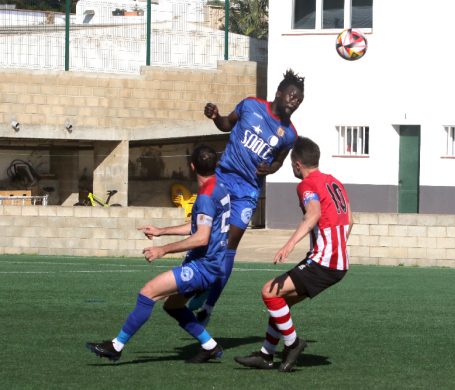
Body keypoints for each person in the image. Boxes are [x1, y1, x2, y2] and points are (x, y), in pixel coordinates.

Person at [86, 145, 231, 363]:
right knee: (172, 305)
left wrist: (162, 249)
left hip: (203, 267)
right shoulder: (220, 187)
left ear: (191, 166)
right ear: (216, 165)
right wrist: (161, 231)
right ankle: (210, 346)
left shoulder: (205, 197)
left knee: (148, 292)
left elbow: (201, 237)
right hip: (211, 263)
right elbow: (198, 227)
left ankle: (116, 346)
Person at [193, 69, 305, 324]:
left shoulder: (289, 134)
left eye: (298, 100)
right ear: (278, 93)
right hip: (222, 179)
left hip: (247, 191)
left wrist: (271, 169)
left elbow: (278, 162)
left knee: (229, 245)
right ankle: (201, 283)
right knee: (206, 236)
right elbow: (225, 125)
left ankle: (208, 308)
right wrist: (215, 116)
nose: (293, 102)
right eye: (291, 96)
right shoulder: (251, 105)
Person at [234, 136, 353, 372]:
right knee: (281, 302)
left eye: (291, 164)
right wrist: (334, 246)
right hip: (337, 262)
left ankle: (293, 343)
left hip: (324, 261)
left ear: (297, 164)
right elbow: (350, 219)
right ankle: (266, 354)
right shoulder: (335, 183)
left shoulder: (307, 184)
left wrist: (289, 244)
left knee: (268, 292)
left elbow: (313, 214)